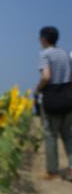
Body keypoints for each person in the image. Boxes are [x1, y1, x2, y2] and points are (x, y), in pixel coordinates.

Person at [35, 26, 72, 181]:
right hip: (68, 97)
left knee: (50, 135)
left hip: (52, 99)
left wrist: (37, 90)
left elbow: (46, 76)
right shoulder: (65, 53)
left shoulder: (45, 54)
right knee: (68, 135)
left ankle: (52, 171)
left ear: (43, 39)